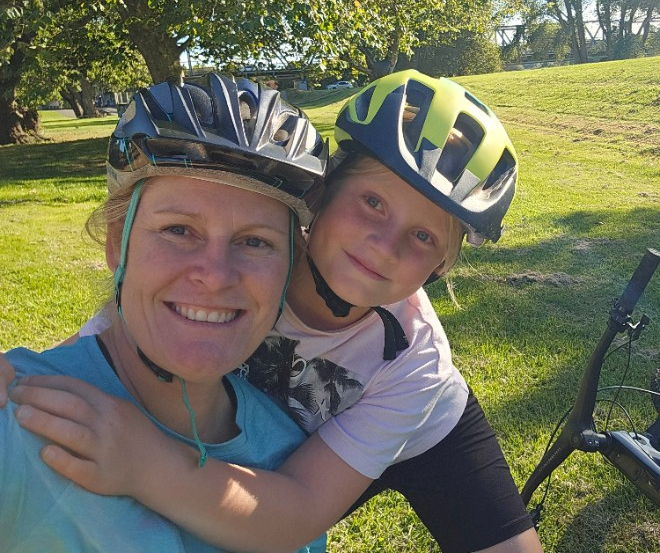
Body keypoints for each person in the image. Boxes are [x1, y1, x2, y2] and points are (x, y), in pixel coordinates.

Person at [3, 70, 542, 552]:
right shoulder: (255, 255)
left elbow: (299, 509)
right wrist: (24, 379)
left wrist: (146, 464)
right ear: (323, 195)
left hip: (422, 432)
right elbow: (124, 329)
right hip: (287, 439)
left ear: (440, 267)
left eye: (423, 237)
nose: (384, 246)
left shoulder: (415, 363)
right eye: (373, 202)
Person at [0, 73, 327, 552]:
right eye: (178, 230)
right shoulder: (20, 413)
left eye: (256, 242)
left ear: (289, 271)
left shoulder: (285, 455)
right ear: (118, 244)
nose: (215, 276)